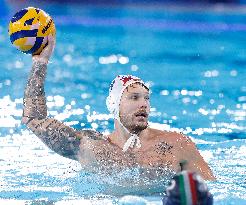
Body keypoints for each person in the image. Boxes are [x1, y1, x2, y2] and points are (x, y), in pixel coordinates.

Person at [22, 35, 216, 182]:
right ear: (114, 105)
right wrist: (40, 62)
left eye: (147, 98)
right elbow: (34, 119)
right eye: (134, 97)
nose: (144, 104)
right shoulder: (91, 146)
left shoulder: (177, 144)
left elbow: (212, 191)